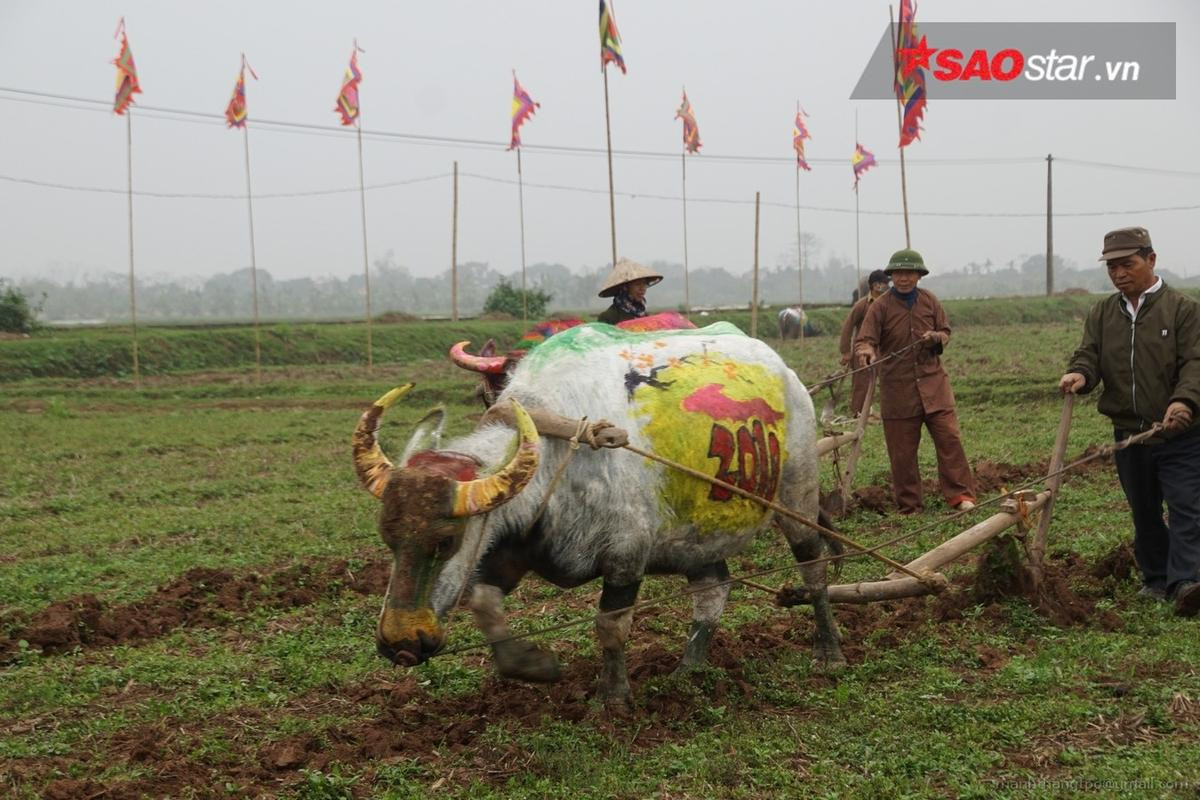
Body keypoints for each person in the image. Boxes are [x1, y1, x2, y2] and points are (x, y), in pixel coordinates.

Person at [1058, 226, 1200, 616]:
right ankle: (1156, 579)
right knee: (1144, 510)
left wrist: (1184, 402)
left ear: (1151, 260)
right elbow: (1088, 354)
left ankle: (1186, 581)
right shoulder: (1103, 313)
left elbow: (1195, 363)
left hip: (1180, 433)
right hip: (1131, 435)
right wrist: (1080, 375)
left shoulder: (1183, 310)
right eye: (1112, 267)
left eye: (1128, 264)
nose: (1119, 273)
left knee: (1187, 506)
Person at [854, 249, 977, 514]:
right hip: (898, 391)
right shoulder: (880, 307)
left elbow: (946, 332)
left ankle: (961, 496)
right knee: (902, 453)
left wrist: (936, 337)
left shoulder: (930, 301)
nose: (904, 278)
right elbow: (865, 339)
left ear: (919, 276)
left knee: (950, 440)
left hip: (935, 387)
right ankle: (910, 506)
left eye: (909, 273)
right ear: (891, 276)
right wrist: (866, 351)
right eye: (898, 273)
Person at [839, 269, 891, 416]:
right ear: (875, 285)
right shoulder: (862, 305)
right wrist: (846, 351)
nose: (888, 287)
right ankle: (859, 413)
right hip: (863, 350)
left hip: (884, 350)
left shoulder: (890, 304)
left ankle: (890, 412)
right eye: (885, 284)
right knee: (862, 383)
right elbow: (847, 327)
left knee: (889, 381)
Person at [597, 258, 663, 324]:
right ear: (625, 288)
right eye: (638, 284)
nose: (642, 288)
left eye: (644, 284)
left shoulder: (644, 315)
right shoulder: (609, 316)